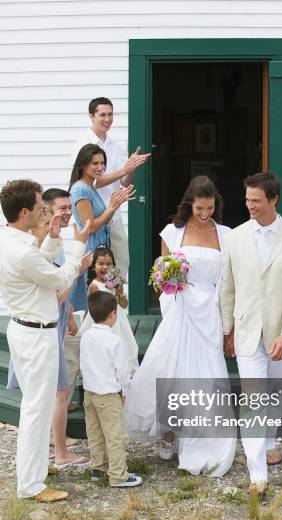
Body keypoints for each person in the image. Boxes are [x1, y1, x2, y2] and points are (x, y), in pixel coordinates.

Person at [125, 175, 236, 477]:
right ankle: (169, 432)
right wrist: (170, 287)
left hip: (209, 311)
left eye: (210, 208)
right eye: (200, 208)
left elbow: (227, 280)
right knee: (172, 369)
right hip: (181, 309)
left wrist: (229, 321)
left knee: (204, 373)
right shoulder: (172, 233)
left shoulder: (225, 234)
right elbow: (160, 275)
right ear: (190, 204)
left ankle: (201, 436)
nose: (204, 214)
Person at [220, 171, 282, 494]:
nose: (250, 206)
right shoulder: (234, 238)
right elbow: (227, 288)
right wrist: (227, 329)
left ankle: (271, 439)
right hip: (247, 332)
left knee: (276, 392)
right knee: (253, 398)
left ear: (274, 199)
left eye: (256, 201)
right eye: (247, 200)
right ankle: (257, 473)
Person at [0, 179, 89, 502]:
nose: (45, 211)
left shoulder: (11, 239)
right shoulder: (21, 252)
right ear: (25, 212)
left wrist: (52, 238)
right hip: (36, 336)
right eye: (40, 207)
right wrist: (78, 245)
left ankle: (35, 466)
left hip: (28, 330)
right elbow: (59, 278)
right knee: (37, 409)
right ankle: (30, 485)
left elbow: (38, 265)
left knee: (35, 405)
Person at [71, 96, 150, 273]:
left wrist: (131, 168)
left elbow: (124, 181)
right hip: (95, 215)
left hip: (113, 215)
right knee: (95, 270)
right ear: (91, 116)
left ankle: (114, 298)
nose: (107, 119)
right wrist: (123, 170)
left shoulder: (114, 145)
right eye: (102, 114)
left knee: (121, 264)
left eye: (111, 114)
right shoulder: (83, 144)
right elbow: (89, 181)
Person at [80, 291, 143, 487]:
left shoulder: (86, 336)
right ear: (113, 314)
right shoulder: (115, 341)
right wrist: (124, 392)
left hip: (89, 394)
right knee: (116, 437)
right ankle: (118, 475)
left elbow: (84, 364)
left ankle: (97, 468)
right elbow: (122, 372)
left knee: (95, 433)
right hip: (108, 396)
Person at [69, 143, 136, 311]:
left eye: (102, 163)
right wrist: (112, 206)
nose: (100, 167)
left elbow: (103, 220)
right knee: (94, 301)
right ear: (83, 164)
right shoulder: (81, 189)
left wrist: (117, 203)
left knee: (101, 299)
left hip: (101, 247)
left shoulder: (90, 186)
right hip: (92, 250)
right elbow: (90, 227)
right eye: (95, 163)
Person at [80, 246, 139, 375]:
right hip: (103, 322)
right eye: (101, 264)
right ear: (94, 267)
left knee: (125, 349)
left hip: (118, 320)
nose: (105, 267)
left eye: (109, 264)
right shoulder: (94, 286)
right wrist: (113, 293)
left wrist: (120, 293)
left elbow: (124, 305)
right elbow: (101, 308)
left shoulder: (115, 282)